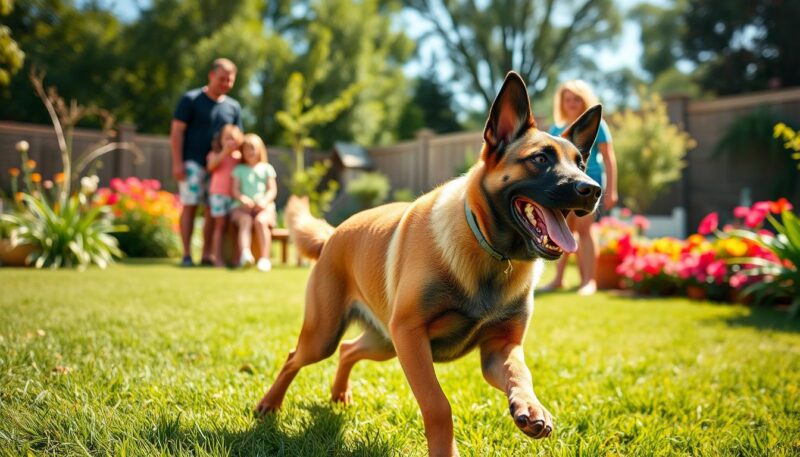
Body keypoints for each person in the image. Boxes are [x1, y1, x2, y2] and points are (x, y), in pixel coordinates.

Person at [541, 80, 618, 295]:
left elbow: (609, 158)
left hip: (590, 181)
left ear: (584, 100)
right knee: (563, 230)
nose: (572, 103)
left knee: (584, 230)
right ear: (562, 103)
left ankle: (588, 282)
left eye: (576, 99)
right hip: (566, 185)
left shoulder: (597, 124)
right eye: (568, 100)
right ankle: (558, 279)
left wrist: (612, 190)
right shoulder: (556, 128)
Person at [170, 58, 243, 267]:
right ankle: (186, 254)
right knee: (191, 206)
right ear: (211, 75)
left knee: (214, 212)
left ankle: (207, 254)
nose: (225, 84)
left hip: (220, 169)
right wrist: (178, 163)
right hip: (192, 164)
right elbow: (177, 133)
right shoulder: (190, 100)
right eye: (222, 79)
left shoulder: (233, 107)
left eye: (230, 81)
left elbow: (239, 137)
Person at [231, 133, 278, 272]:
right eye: (246, 149)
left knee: (261, 222)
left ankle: (265, 258)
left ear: (260, 150)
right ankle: (245, 255)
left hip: (264, 208)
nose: (249, 152)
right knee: (245, 221)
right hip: (242, 209)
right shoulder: (239, 170)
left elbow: (272, 190)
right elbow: (235, 190)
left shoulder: (267, 168)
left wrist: (263, 202)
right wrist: (243, 199)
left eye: (252, 148)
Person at [206, 124, 244, 267]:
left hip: (234, 197)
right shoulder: (215, 154)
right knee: (219, 227)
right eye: (227, 138)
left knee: (234, 227)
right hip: (218, 195)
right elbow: (211, 167)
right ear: (221, 140)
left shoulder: (239, 157)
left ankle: (236, 258)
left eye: (233, 139)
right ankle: (217, 258)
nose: (230, 142)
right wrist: (224, 153)